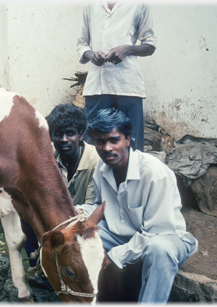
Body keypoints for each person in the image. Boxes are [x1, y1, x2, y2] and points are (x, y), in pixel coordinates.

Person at [77, 108, 198, 303]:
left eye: (114, 140)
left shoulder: (154, 174)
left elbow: (156, 232)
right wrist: (80, 213)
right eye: (100, 141)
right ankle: (87, 298)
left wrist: (114, 256)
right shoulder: (102, 167)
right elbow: (102, 206)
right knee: (75, 232)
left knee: (160, 249)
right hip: (123, 235)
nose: (107, 148)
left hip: (165, 237)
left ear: (127, 139)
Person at [22, 103, 100, 289]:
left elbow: (91, 204)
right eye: (58, 134)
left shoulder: (95, 160)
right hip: (55, 217)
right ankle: (40, 267)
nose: (63, 139)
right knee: (26, 216)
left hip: (82, 218)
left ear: (81, 134)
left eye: (70, 133)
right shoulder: (48, 156)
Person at [76, 2, 157, 151]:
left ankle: (130, 174)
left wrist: (127, 49)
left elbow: (150, 45)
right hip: (97, 84)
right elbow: (82, 45)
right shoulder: (90, 5)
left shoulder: (139, 4)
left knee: (132, 143)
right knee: (90, 142)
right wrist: (92, 55)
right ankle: (93, 174)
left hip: (127, 83)